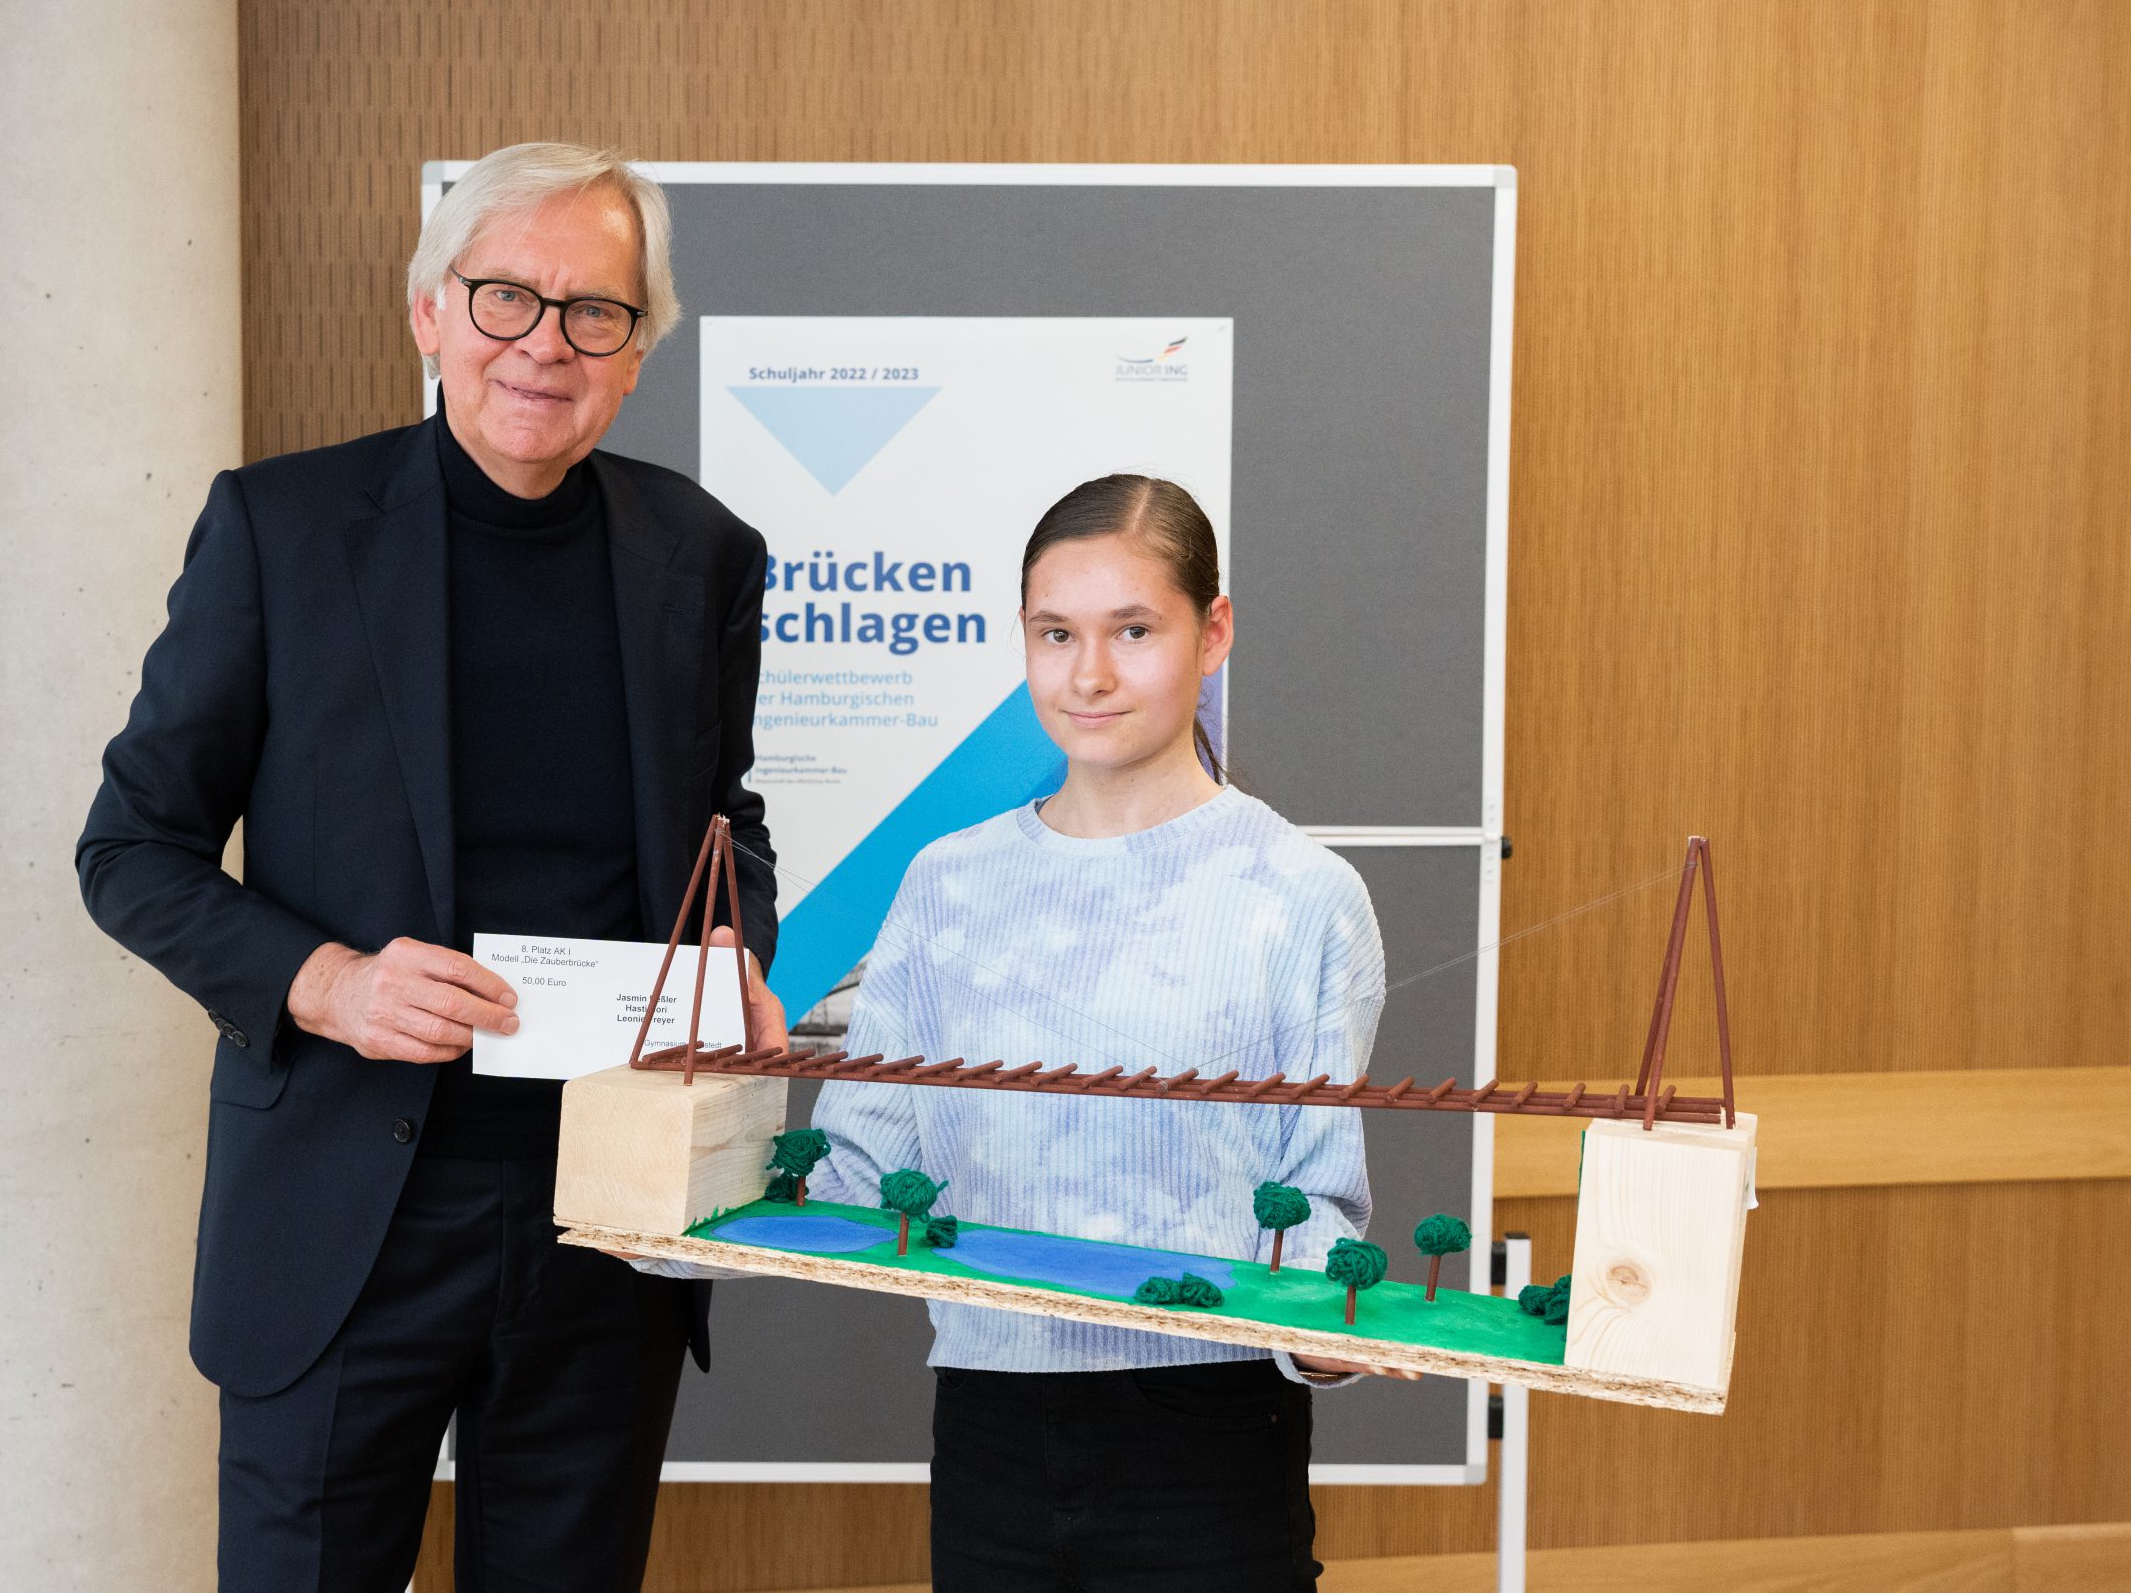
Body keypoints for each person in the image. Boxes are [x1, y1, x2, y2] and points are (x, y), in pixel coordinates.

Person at [75, 142, 784, 1592]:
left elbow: (728, 820)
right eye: (505, 296)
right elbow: (130, 848)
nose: (545, 343)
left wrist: (735, 947)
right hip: (343, 1213)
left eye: (595, 311)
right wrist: (326, 981)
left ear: (638, 351)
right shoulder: (280, 530)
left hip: (605, 1213)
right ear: (428, 311)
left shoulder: (702, 552)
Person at [803, 474, 1409, 1591]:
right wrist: (686, 1161)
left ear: (1212, 633)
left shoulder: (1301, 894)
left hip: (1211, 1432)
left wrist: (1326, 1340)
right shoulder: (946, 881)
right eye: (1056, 634)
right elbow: (859, 1168)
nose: (1088, 674)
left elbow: (1314, 1197)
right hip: (987, 1419)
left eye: (1133, 631)